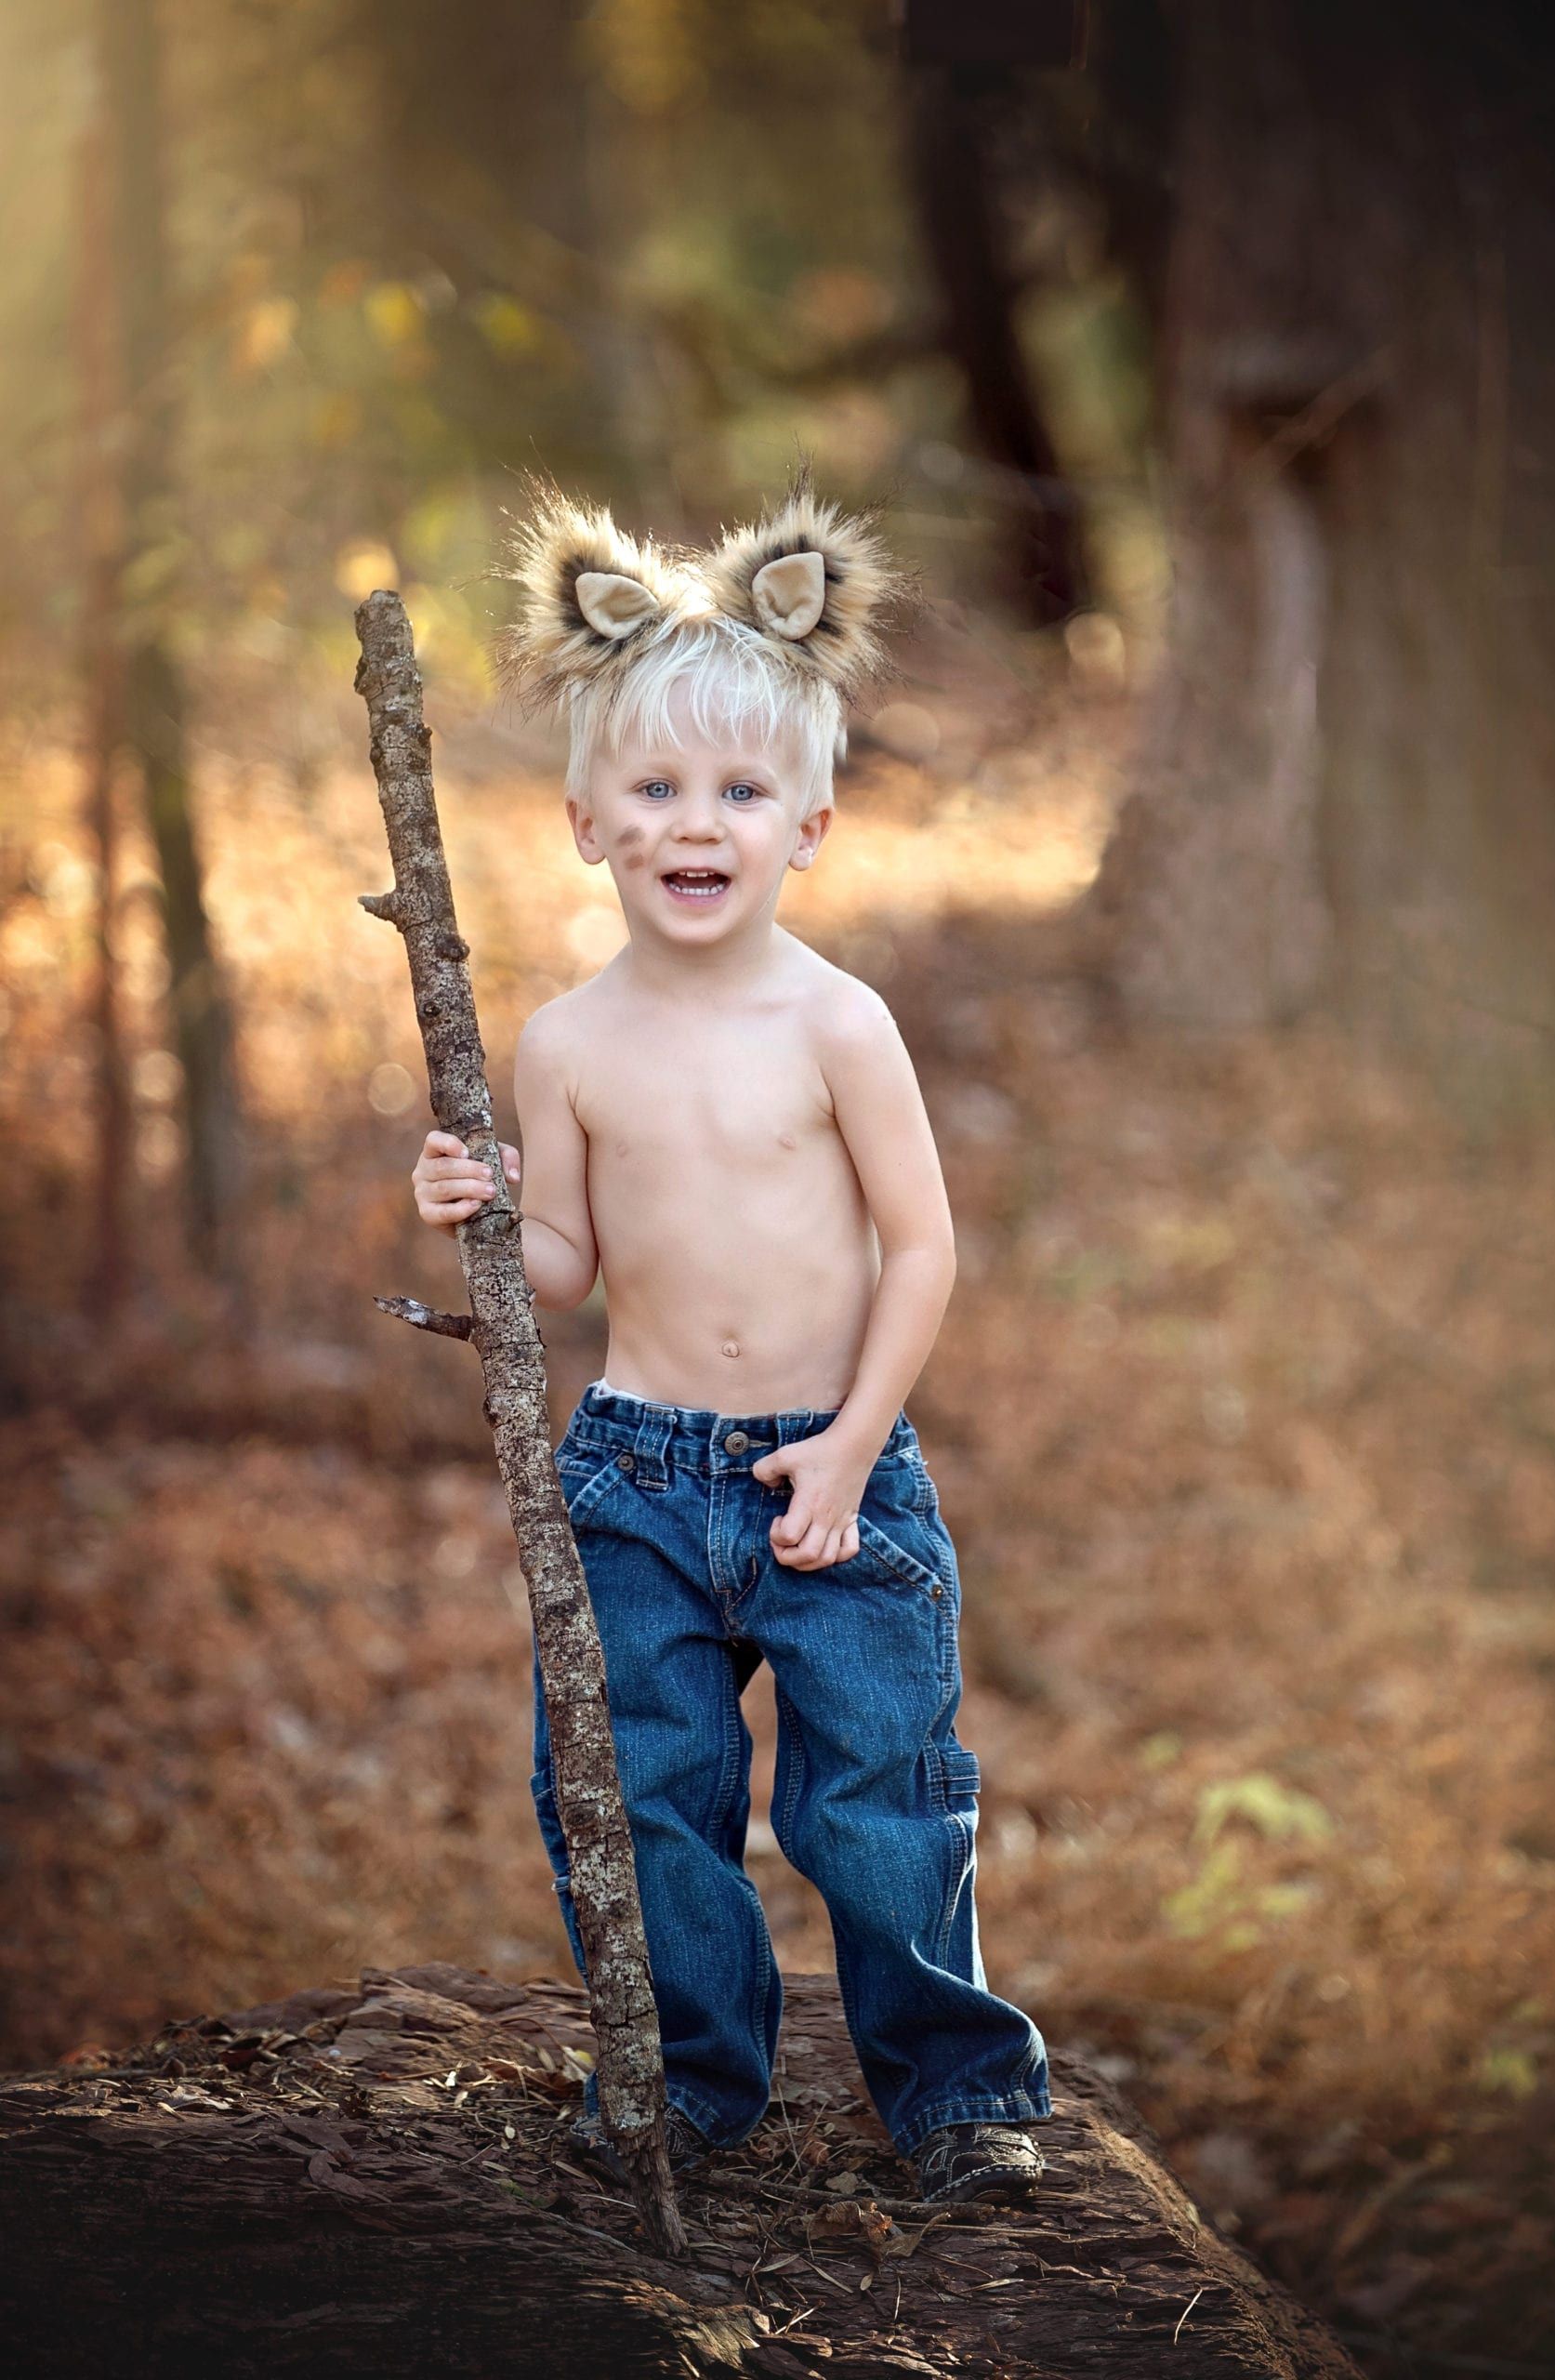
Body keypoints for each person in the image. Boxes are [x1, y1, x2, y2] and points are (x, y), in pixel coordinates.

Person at [411, 466, 1050, 2205]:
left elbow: (921, 1249)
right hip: (632, 1473)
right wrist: (484, 1202)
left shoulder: (840, 1025)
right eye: (660, 787)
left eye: (745, 790)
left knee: (881, 1801)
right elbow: (561, 1264)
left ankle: (957, 2095)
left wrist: (849, 1450)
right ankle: (695, 2079)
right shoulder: (567, 1043)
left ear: (812, 828)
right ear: (585, 820)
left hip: (831, 1463)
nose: (701, 822)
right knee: (641, 1790)